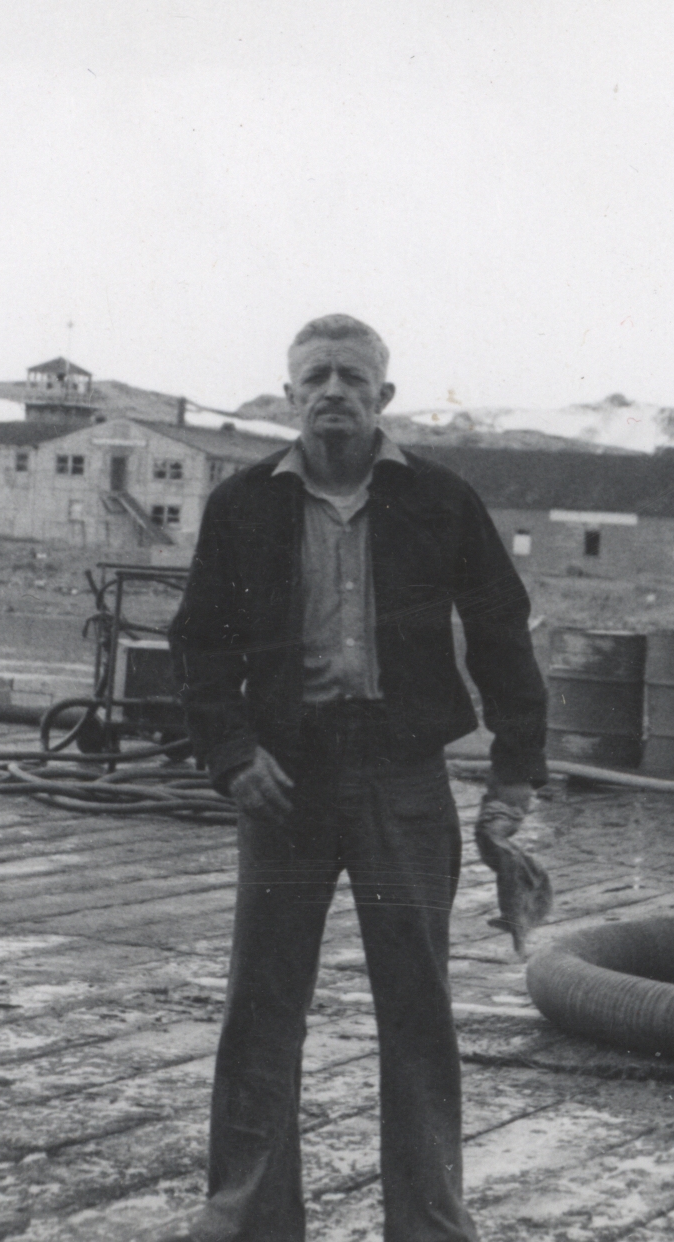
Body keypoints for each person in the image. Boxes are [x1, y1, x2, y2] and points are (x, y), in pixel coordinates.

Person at [170, 314, 548, 1242]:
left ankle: (428, 1225)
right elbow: (199, 647)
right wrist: (229, 753)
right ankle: (248, 1218)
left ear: (384, 394)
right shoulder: (244, 503)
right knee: (263, 1004)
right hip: (284, 783)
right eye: (316, 376)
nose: (333, 390)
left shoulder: (443, 501)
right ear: (290, 391)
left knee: (417, 1007)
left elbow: (502, 628)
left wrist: (516, 767)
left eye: (351, 376)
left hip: (403, 780)